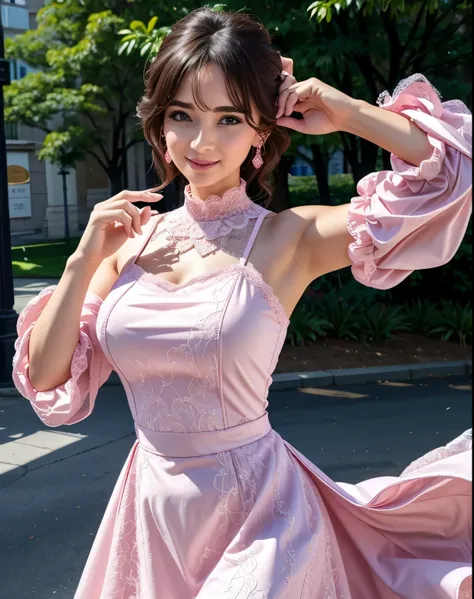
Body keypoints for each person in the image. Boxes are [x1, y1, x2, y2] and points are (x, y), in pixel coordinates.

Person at [11, 7, 472, 599]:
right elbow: (49, 379)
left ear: (261, 130)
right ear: (160, 123)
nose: (202, 142)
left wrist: (343, 110)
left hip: (262, 513)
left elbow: (446, 178)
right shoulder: (125, 249)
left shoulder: (289, 239)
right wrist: (80, 264)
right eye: (183, 115)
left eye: (229, 118)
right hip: (150, 513)